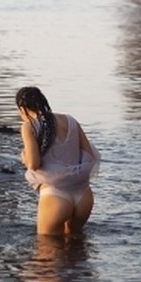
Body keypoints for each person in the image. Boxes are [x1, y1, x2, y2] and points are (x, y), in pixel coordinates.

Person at [15, 85, 100, 236]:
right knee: (77, 249)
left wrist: (24, 156)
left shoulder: (29, 126)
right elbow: (90, 156)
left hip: (55, 196)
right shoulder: (71, 120)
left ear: (22, 109)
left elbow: (33, 164)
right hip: (84, 196)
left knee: (45, 253)